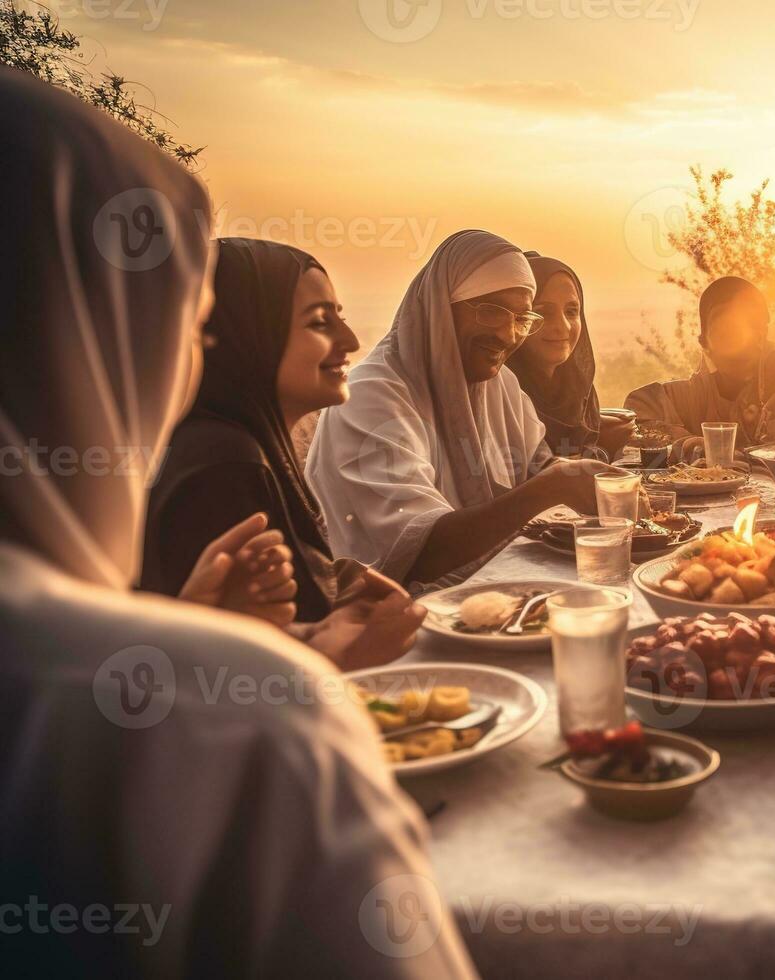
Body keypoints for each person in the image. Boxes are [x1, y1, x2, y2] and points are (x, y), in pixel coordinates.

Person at [0, 66, 474, 976]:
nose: (188, 363)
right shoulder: (236, 727)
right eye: (182, 325)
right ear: (105, 342)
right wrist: (254, 677)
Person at [142, 238, 425, 670]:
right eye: (318, 323)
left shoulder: (239, 441)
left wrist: (340, 577)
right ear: (248, 334)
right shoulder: (224, 465)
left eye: (341, 318)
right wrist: (345, 655)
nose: (349, 340)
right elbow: (226, 672)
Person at [306, 230, 623, 587]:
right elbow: (419, 552)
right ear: (441, 309)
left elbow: (538, 465)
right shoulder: (371, 396)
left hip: (491, 591)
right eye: (491, 312)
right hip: (388, 613)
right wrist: (549, 488)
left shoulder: (498, 384)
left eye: (522, 319)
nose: (508, 335)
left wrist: (575, 476)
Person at [625, 276, 775, 460]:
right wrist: (689, 443)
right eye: (725, 331)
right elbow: (637, 409)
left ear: (762, 335)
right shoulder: (696, 394)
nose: (739, 342)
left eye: (747, 327)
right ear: (705, 344)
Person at [506, 252, 632, 460]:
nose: (562, 326)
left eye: (572, 311)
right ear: (519, 319)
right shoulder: (501, 393)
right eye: (543, 313)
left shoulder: (578, 388)